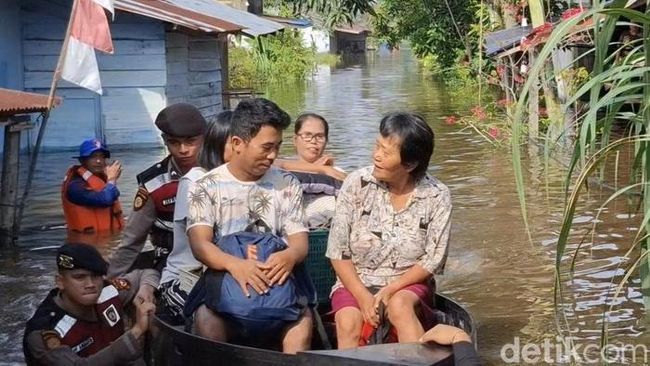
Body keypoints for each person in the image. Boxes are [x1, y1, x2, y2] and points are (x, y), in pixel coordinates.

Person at [186, 98, 312, 354]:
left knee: (302, 322)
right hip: (227, 282)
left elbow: (299, 242)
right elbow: (200, 244)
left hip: (277, 286)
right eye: (266, 148)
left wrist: (289, 255)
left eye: (277, 147)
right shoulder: (206, 186)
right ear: (237, 144)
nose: (273, 156)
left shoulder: (287, 183)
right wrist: (236, 265)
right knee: (207, 321)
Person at [326, 112, 452, 349]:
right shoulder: (356, 184)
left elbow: (434, 258)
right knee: (348, 321)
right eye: (377, 146)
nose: (376, 156)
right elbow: (338, 252)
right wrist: (364, 297)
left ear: (410, 164)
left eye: (386, 152)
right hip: (356, 280)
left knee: (400, 307)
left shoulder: (437, 195)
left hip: (406, 284)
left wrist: (392, 289)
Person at [107, 103, 207, 304]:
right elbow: (132, 240)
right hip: (171, 263)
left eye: (191, 141)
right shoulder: (153, 185)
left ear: (204, 138)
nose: (183, 150)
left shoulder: (220, 172)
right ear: (164, 141)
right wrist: (107, 281)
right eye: (174, 142)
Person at [23, 243, 157, 365]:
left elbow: (146, 273)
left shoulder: (108, 291)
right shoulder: (44, 331)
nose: (90, 284)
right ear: (60, 282)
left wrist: (146, 290)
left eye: (96, 276)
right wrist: (136, 331)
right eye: (80, 277)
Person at [159, 110, 233, 319]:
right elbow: (203, 248)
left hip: (230, 273)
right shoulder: (196, 182)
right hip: (189, 275)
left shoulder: (251, 178)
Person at [61, 138, 123, 244]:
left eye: (102, 157)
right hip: (86, 243)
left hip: (108, 240)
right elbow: (105, 200)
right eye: (93, 157)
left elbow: (114, 194)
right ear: (82, 160)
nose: (99, 161)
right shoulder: (75, 186)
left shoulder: (102, 178)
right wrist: (112, 179)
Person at [275, 113, 345, 181]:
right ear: (295, 140)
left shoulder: (335, 172)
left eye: (320, 136)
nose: (313, 141)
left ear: (326, 141)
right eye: (307, 135)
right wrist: (320, 169)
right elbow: (275, 163)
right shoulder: (279, 170)